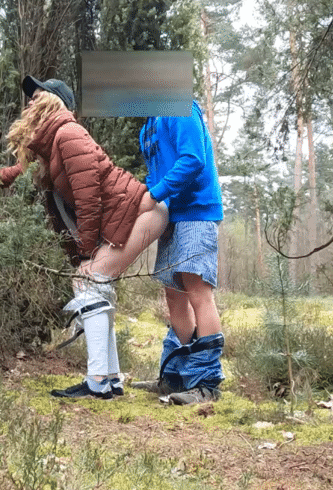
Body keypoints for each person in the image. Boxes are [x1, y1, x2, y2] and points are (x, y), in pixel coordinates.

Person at [0, 76, 169, 399]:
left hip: (146, 213)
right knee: (92, 282)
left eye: (37, 95)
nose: (30, 101)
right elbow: (8, 176)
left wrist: (85, 252)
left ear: (53, 102)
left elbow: (89, 198)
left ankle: (98, 382)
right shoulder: (47, 150)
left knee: (90, 277)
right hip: (133, 215)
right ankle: (110, 380)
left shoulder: (68, 134)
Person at [132, 99, 225, 405]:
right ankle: (177, 377)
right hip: (171, 215)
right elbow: (155, 173)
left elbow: (193, 158)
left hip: (196, 211)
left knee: (198, 290)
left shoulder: (178, 105)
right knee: (174, 295)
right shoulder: (148, 123)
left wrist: (155, 195)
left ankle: (207, 383)